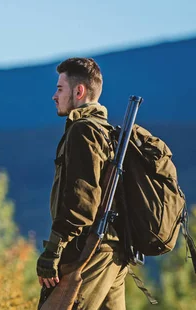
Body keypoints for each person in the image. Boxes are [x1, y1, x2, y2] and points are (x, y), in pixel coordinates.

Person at [36, 57, 128, 309]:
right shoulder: (106, 130)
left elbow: (82, 201)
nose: (54, 96)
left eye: (59, 88)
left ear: (79, 91)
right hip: (113, 252)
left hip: (91, 251)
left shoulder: (83, 130)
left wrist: (53, 249)